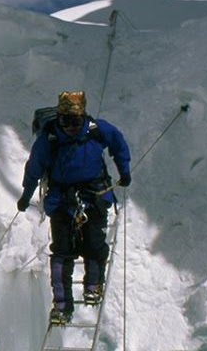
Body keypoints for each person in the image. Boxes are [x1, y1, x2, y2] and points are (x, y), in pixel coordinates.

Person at [17, 91, 131, 324]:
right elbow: (34, 170)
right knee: (61, 252)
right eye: (65, 121)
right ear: (58, 118)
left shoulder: (96, 130)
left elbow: (118, 144)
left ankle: (92, 286)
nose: (69, 126)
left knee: (93, 244)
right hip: (61, 200)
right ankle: (61, 305)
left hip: (93, 196)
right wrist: (26, 195)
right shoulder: (49, 139)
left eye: (74, 121)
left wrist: (124, 169)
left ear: (83, 118)